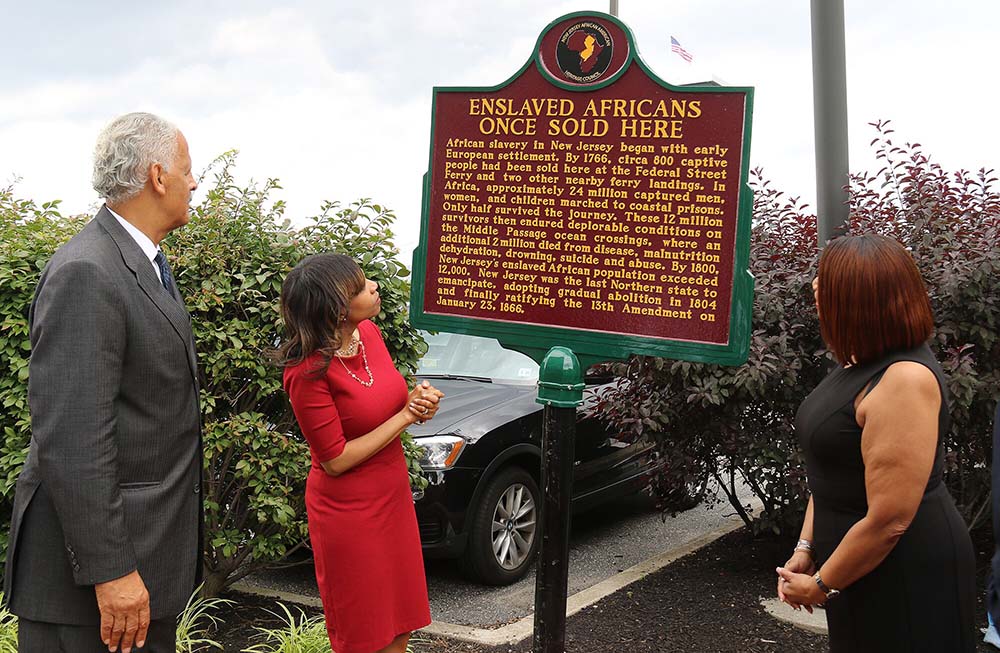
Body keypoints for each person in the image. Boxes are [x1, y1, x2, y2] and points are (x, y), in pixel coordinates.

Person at [3, 112, 202, 653]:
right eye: (188, 170)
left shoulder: (139, 263)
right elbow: (73, 440)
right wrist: (111, 571)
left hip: (138, 570)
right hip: (92, 591)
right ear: (158, 176)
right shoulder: (88, 271)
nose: (194, 183)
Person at [775, 233, 976, 652]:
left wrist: (820, 586)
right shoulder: (858, 363)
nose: (814, 287)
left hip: (904, 572)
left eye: (825, 280)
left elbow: (890, 520)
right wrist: (807, 547)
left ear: (858, 300)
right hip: (854, 568)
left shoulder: (903, 379)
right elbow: (831, 469)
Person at [277, 253, 440, 653]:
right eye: (360, 287)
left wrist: (418, 402)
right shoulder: (306, 373)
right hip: (348, 514)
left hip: (392, 495)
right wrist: (404, 418)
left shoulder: (368, 334)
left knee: (400, 624)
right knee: (365, 634)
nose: (374, 288)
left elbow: (382, 402)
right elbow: (335, 460)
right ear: (335, 309)